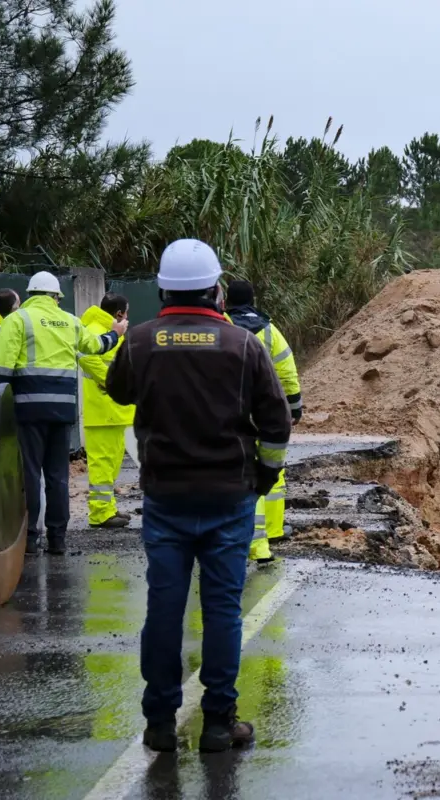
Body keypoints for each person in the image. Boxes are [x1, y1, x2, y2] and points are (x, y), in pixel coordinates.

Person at [106, 239, 291, 753]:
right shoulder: (243, 345)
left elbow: (118, 391)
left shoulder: (140, 342)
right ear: (216, 290)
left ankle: (160, 724)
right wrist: (265, 476)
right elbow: (277, 422)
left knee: (164, 608)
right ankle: (216, 724)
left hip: (166, 498)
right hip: (228, 497)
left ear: (163, 290)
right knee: (223, 609)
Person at [0, 272, 127, 555]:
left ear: (30, 295)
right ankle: (58, 539)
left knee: (30, 473)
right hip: (63, 409)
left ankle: (29, 539)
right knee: (58, 476)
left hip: (28, 409)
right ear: (56, 297)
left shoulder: (18, 320)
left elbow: (0, 369)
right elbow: (97, 346)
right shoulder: (70, 321)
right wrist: (116, 333)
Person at [224, 280, 302, 564]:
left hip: (229, 411)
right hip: (266, 410)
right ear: (253, 299)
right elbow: (287, 371)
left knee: (234, 472)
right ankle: (272, 531)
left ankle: (243, 541)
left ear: (226, 301)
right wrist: (294, 408)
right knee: (271, 471)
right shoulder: (269, 330)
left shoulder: (220, 326)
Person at [79, 293, 134, 529]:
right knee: (102, 463)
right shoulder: (94, 328)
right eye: (127, 312)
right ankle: (100, 513)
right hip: (103, 409)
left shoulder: (110, 330)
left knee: (110, 464)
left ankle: (107, 508)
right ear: (120, 312)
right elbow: (85, 356)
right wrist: (110, 381)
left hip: (113, 409)